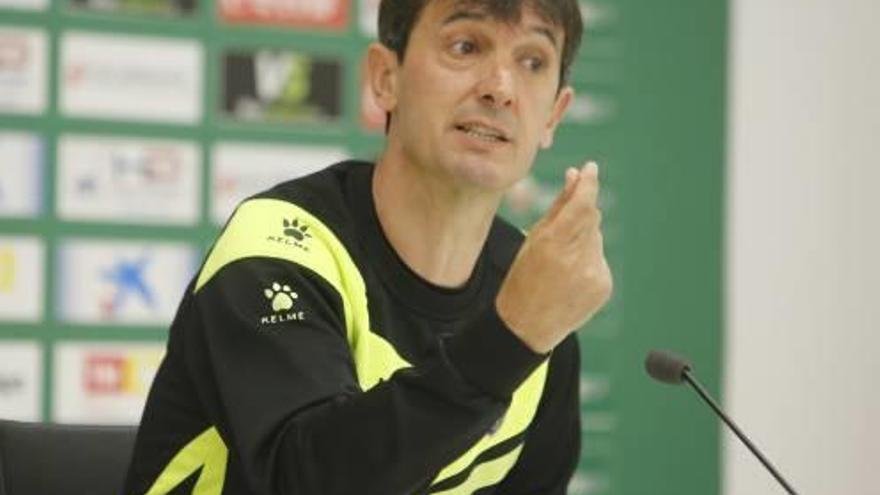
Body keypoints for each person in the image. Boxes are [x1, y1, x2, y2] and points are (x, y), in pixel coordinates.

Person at [123, 0, 612, 493]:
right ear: (385, 77)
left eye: (532, 62)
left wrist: (519, 332)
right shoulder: (277, 249)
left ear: (554, 113)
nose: (500, 88)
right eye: (466, 46)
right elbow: (305, 479)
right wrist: (507, 342)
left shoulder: (533, 297)